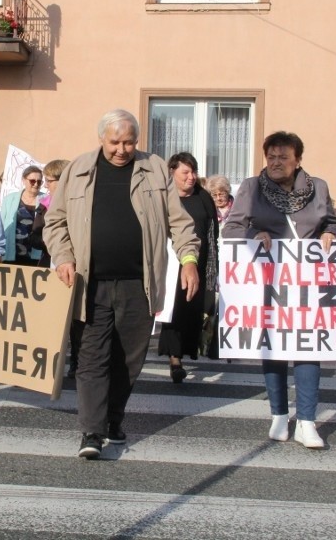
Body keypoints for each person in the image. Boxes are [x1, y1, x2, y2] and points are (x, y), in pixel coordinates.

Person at [43, 109, 200, 459]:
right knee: (91, 357)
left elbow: (180, 222)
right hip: (89, 283)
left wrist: (189, 261)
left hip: (139, 284)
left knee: (129, 359)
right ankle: (92, 431)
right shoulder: (79, 169)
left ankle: (114, 418)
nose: (122, 149)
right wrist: (64, 257)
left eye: (129, 141)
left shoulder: (156, 169)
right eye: (115, 141)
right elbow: (55, 222)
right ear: (102, 138)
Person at [222, 131, 336, 449]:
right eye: (271, 156)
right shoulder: (251, 188)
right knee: (273, 346)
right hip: (267, 277)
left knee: (307, 347)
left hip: (307, 280)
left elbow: (333, 222)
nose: (275, 162)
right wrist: (255, 232)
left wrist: (330, 233)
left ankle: (306, 421)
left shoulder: (319, 188)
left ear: (297, 160)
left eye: (283, 157)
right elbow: (232, 227)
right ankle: (278, 413)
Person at [157, 153, 218, 383]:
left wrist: (214, 264)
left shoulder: (203, 197)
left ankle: (189, 350)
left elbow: (213, 233)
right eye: (186, 172)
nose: (191, 177)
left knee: (193, 310)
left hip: (199, 265)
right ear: (172, 173)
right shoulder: (165, 198)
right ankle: (175, 360)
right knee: (174, 310)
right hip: (171, 266)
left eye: (194, 172)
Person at [28, 158, 81, 378]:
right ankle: (50, 362)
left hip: (74, 268)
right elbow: (35, 235)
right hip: (49, 265)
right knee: (52, 318)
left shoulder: (79, 202)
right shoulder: (45, 204)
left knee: (75, 320)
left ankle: (77, 362)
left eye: (49, 180)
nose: (45, 185)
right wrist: (50, 240)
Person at [0, 165, 47, 266]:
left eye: (39, 182)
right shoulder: (9, 199)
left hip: (36, 255)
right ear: (23, 180)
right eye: (32, 181)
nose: (36, 184)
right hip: (12, 253)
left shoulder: (46, 200)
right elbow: (1, 225)